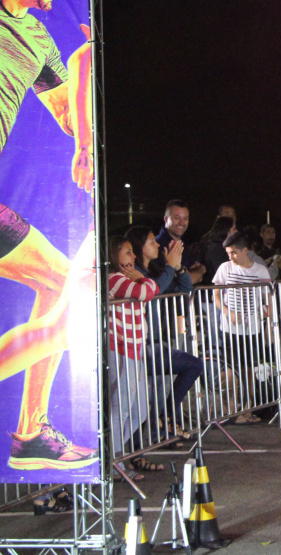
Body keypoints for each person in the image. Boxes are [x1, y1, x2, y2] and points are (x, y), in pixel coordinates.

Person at [0, 6, 97, 470]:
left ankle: (31, 432)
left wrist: (86, 139)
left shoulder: (36, 36)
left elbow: (65, 110)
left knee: (60, 289)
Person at [125, 226, 204, 445]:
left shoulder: (157, 268)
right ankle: (158, 429)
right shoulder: (135, 272)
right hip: (144, 344)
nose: (158, 245)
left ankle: (165, 425)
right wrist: (170, 267)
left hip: (162, 338)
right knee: (148, 396)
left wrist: (177, 269)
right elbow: (155, 290)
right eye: (152, 242)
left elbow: (186, 288)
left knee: (162, 390)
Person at [107, 236, 157, 482]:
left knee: (139, 411)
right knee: (123, 407)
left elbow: (150, 290)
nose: (133, 257)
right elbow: (145, 291)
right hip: (120, 348)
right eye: (128, 252)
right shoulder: (113, 279)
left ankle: (111, 454)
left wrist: (143, 280)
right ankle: (115, 459)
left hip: (134, 348)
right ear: (115, 256)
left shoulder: (127, 278)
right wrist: (143, 280)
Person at [212, 231, 272, 425]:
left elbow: (267, 299)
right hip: (229, 328)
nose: (231, 257)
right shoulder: (224, 268)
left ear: (245, 250)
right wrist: (228, 313)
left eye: (234, 253)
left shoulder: (260, 271)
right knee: (229, 368)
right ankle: (230, 409)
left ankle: (248, 407)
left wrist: (266, 311)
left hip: (252, 328)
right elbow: (217, 296)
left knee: (248, 368)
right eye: (228, 253)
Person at [155, 199, 205, 284]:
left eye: (185, 218)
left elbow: (196, 277)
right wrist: (200, 271)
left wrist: (195, 274)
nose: (181, 223)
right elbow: (187, 281)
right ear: (166, 219)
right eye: (176, 218)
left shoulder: (179, 243)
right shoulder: (158, 245)